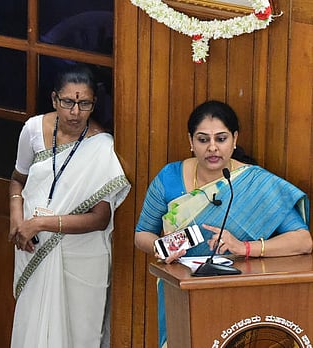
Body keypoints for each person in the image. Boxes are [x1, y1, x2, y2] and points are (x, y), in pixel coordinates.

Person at [134, 100, 313, 347]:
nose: (212, 148)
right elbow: (142, 233)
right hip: (181, 290)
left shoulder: (255, 183)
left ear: (234, 138)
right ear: (190, 141)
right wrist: (162, 247)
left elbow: (303, 241)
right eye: (203, 139)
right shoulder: (169, 177)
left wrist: (244, 247)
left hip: (236, 293)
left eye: (221, 138)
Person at [8, 63, 130, 348]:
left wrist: (41, 223)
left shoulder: (101, 145)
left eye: (84, 104)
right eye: (68, 103)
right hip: (33, 245)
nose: (75, 113)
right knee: (33, 330)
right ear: (54, 99)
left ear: (93, 104)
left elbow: (100, 218)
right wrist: (17, 219)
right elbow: (17, 180)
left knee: (77, 334)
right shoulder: (34, 130)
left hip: (81, 258)